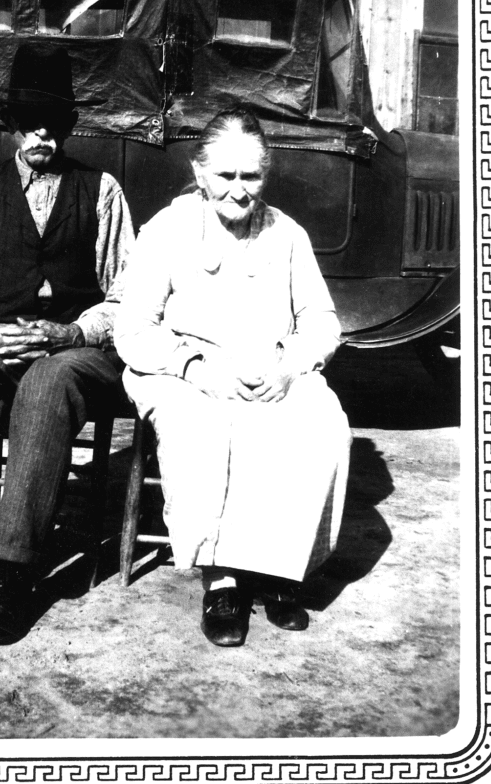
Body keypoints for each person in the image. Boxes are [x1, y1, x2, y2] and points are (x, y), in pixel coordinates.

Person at [0, 42, 134, 646]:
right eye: (30, 119)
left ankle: (12, 574)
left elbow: (131, 297)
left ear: (66, 126)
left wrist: (73, 332)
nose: (42, 132)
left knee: (50, 380)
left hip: (74, 351)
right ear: (13, 125)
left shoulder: (102, 189)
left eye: (54, 121)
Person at [114, 105, 351, 647]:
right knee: (204, 426)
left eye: (252, 176)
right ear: (200, 172)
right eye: (225, 176)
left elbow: (321, 320)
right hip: (181, 368)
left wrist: (291, 366)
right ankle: (222, 579)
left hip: (268, 366)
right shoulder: (167, 229)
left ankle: (278, 568)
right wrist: (196, 369)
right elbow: (132, 329)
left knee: (321, 421)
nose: (239, 191)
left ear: (266, 175)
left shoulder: (287, 234)